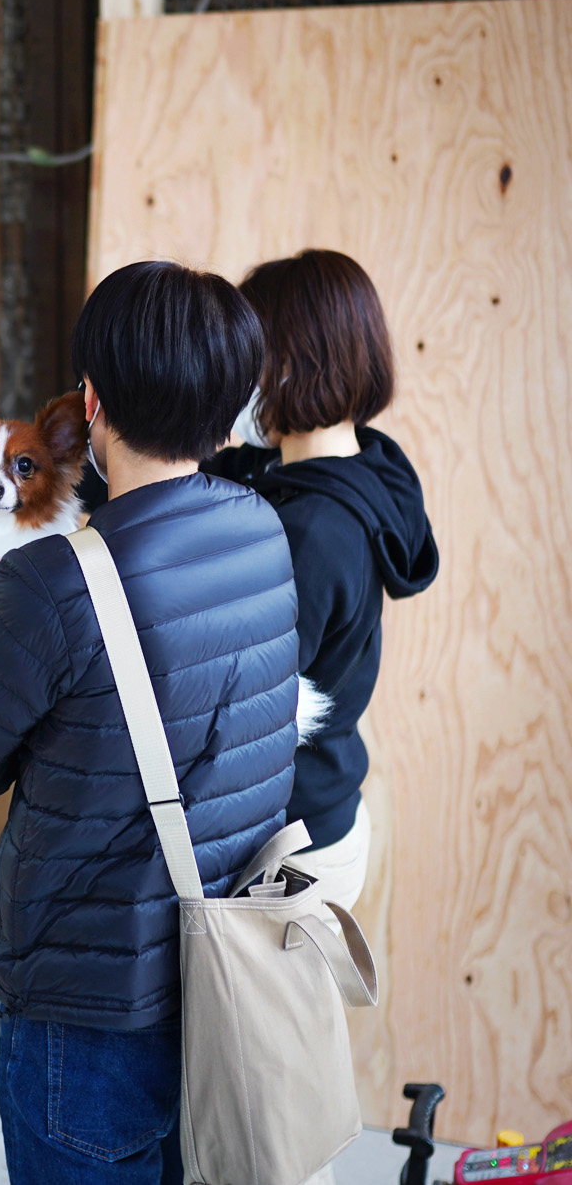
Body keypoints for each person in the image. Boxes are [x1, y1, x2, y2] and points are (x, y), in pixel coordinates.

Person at [0, 260, 306, 1185]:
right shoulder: (262, 530)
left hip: (85, 1010)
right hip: (221, 977)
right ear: (231, 413)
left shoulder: (45, 583)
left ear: (90, 403)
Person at [204, 248, 439, 911]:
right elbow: (210, 472)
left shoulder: (313, 533)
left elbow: (239, 714)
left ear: (287, 364)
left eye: (248, 358)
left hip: (289, 849)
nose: (238, 379)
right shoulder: (362, 470)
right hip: (323, 812)